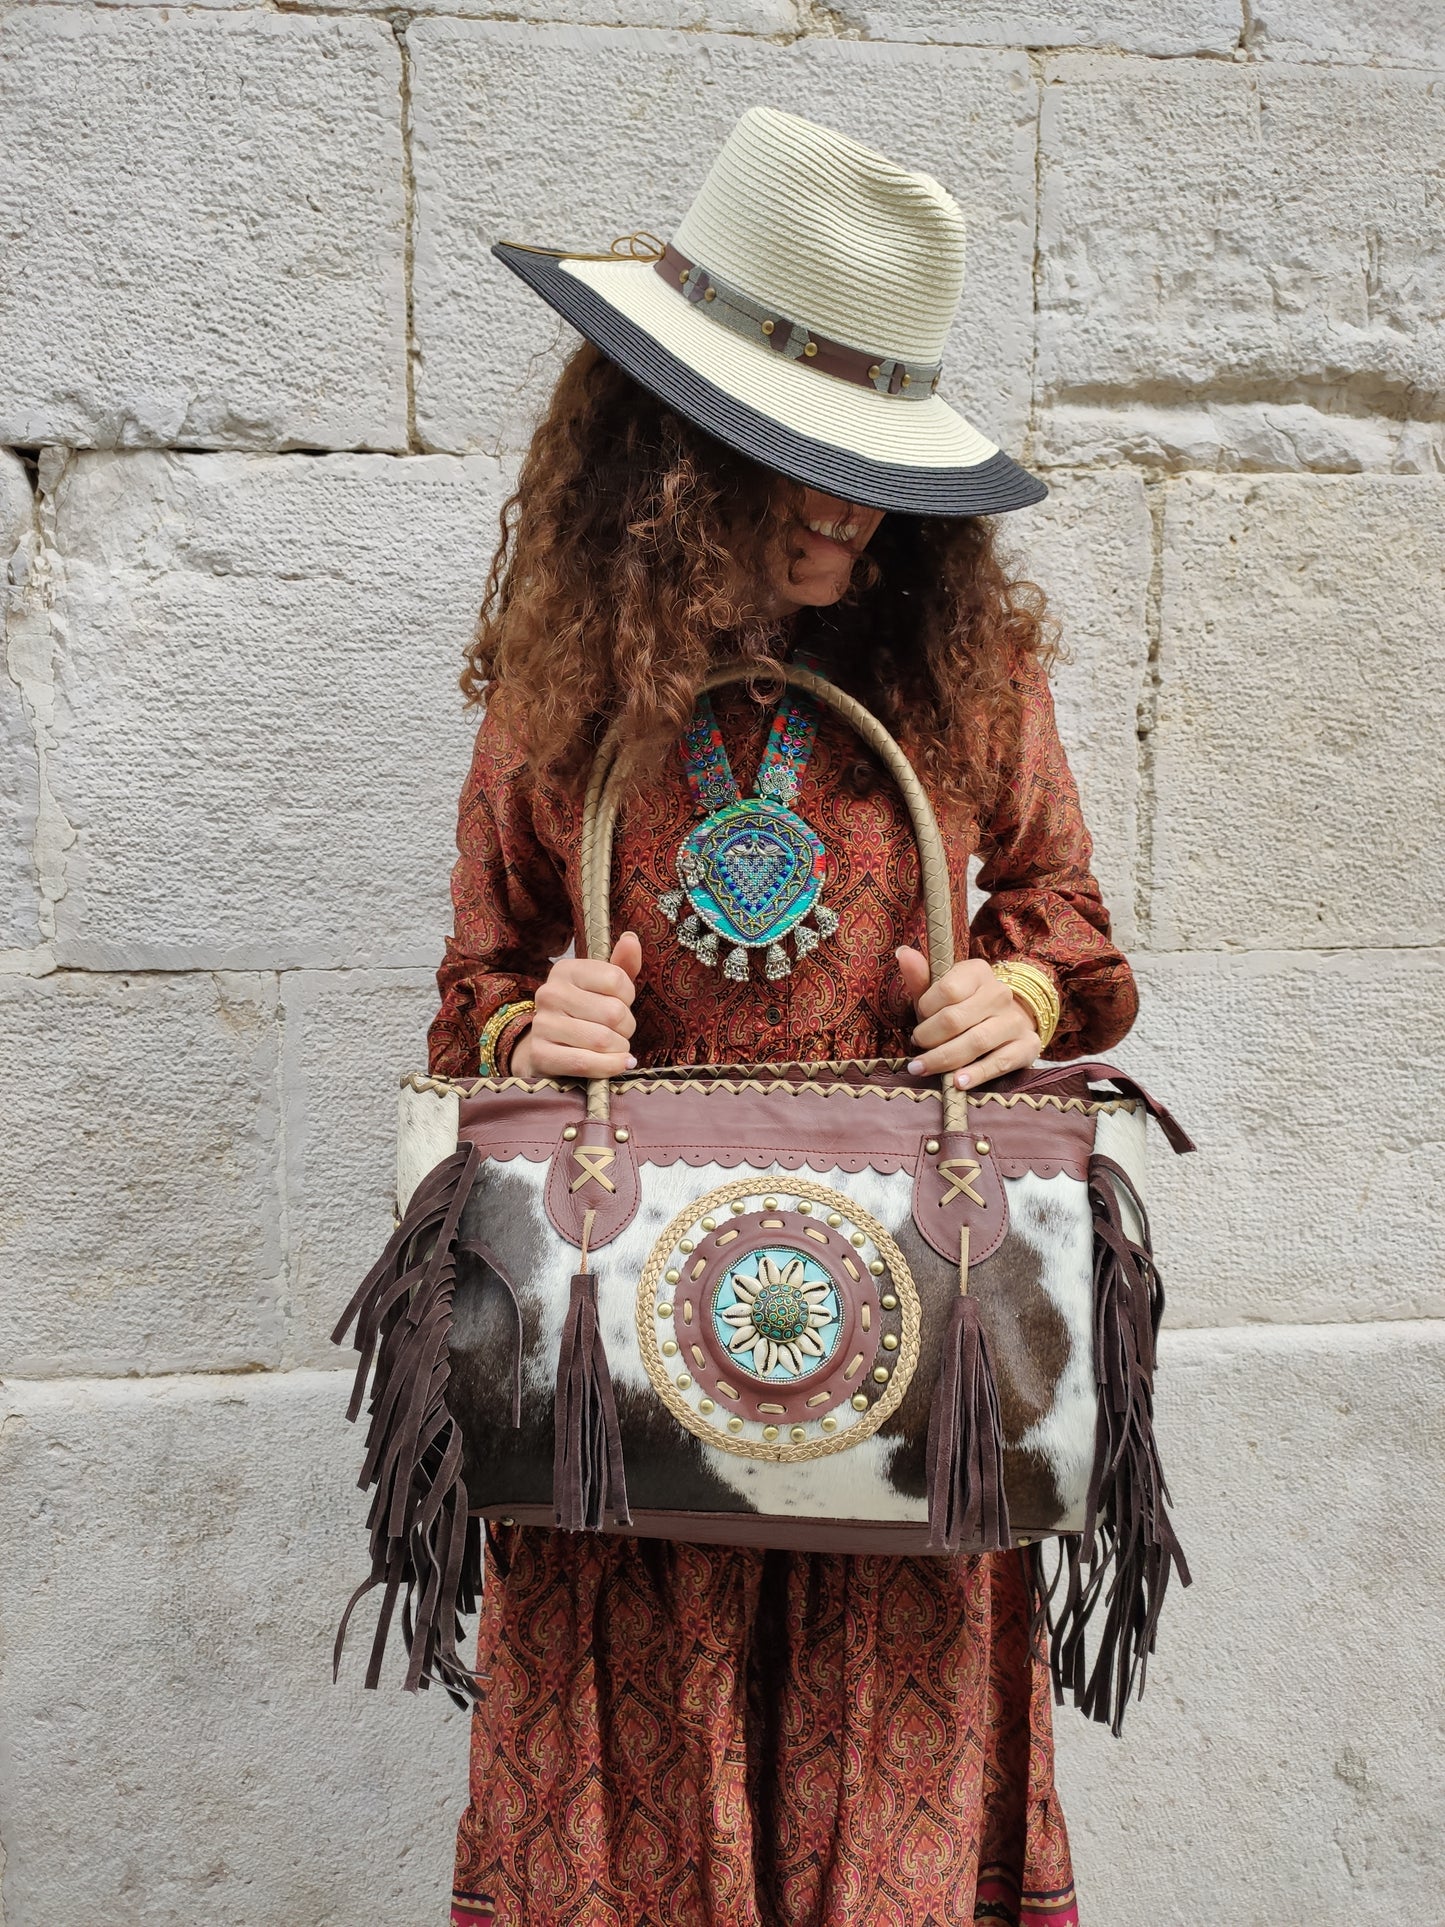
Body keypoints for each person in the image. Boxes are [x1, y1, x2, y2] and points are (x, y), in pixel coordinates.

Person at [428, 106, 1135, 1927]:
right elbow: (470, 995)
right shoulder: (564, 680)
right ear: (668, 452)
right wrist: (539, 1030)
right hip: (631, 1364)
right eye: (786, 456)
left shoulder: (968, 664)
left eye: (864, 460)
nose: (842, 505)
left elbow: (1074, 927)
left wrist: (1014, 994)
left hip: (908, 1366)